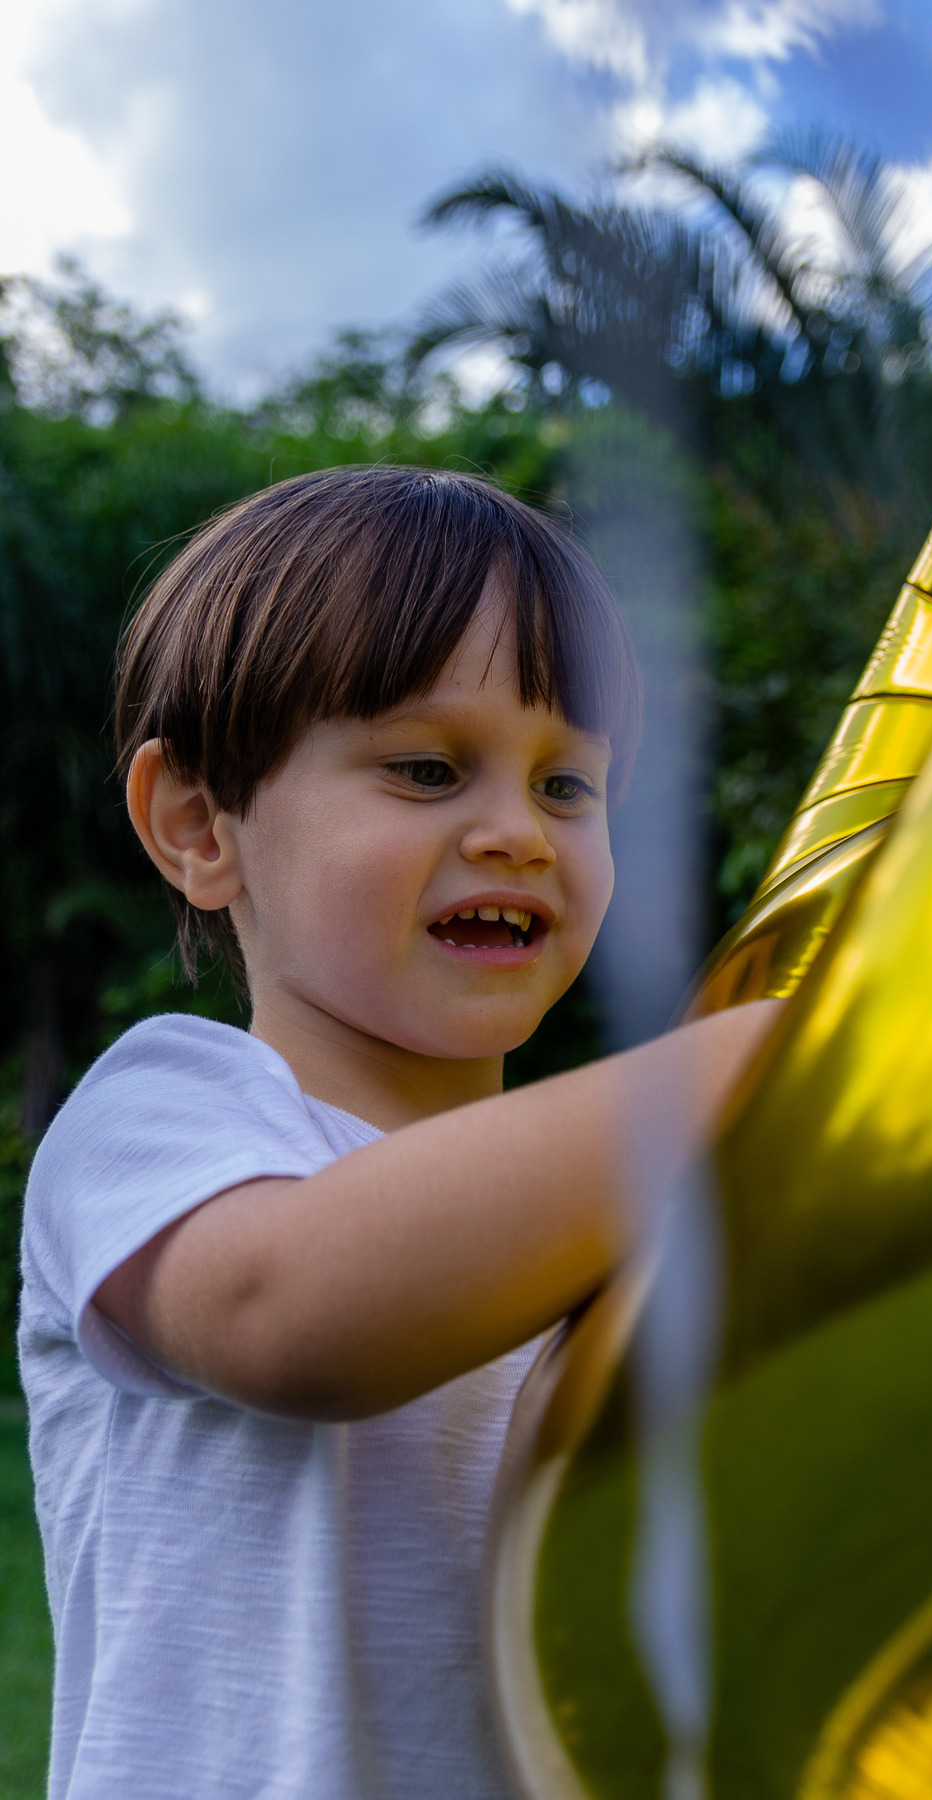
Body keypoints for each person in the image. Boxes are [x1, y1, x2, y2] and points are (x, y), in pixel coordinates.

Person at [19, 466, 781, 1800]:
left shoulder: (601, 1212)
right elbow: (294, 1314)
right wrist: (771, 1048)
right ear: (199, 826)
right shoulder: (163, 1114)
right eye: (428, 769)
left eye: (571, 786)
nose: (518, 835)